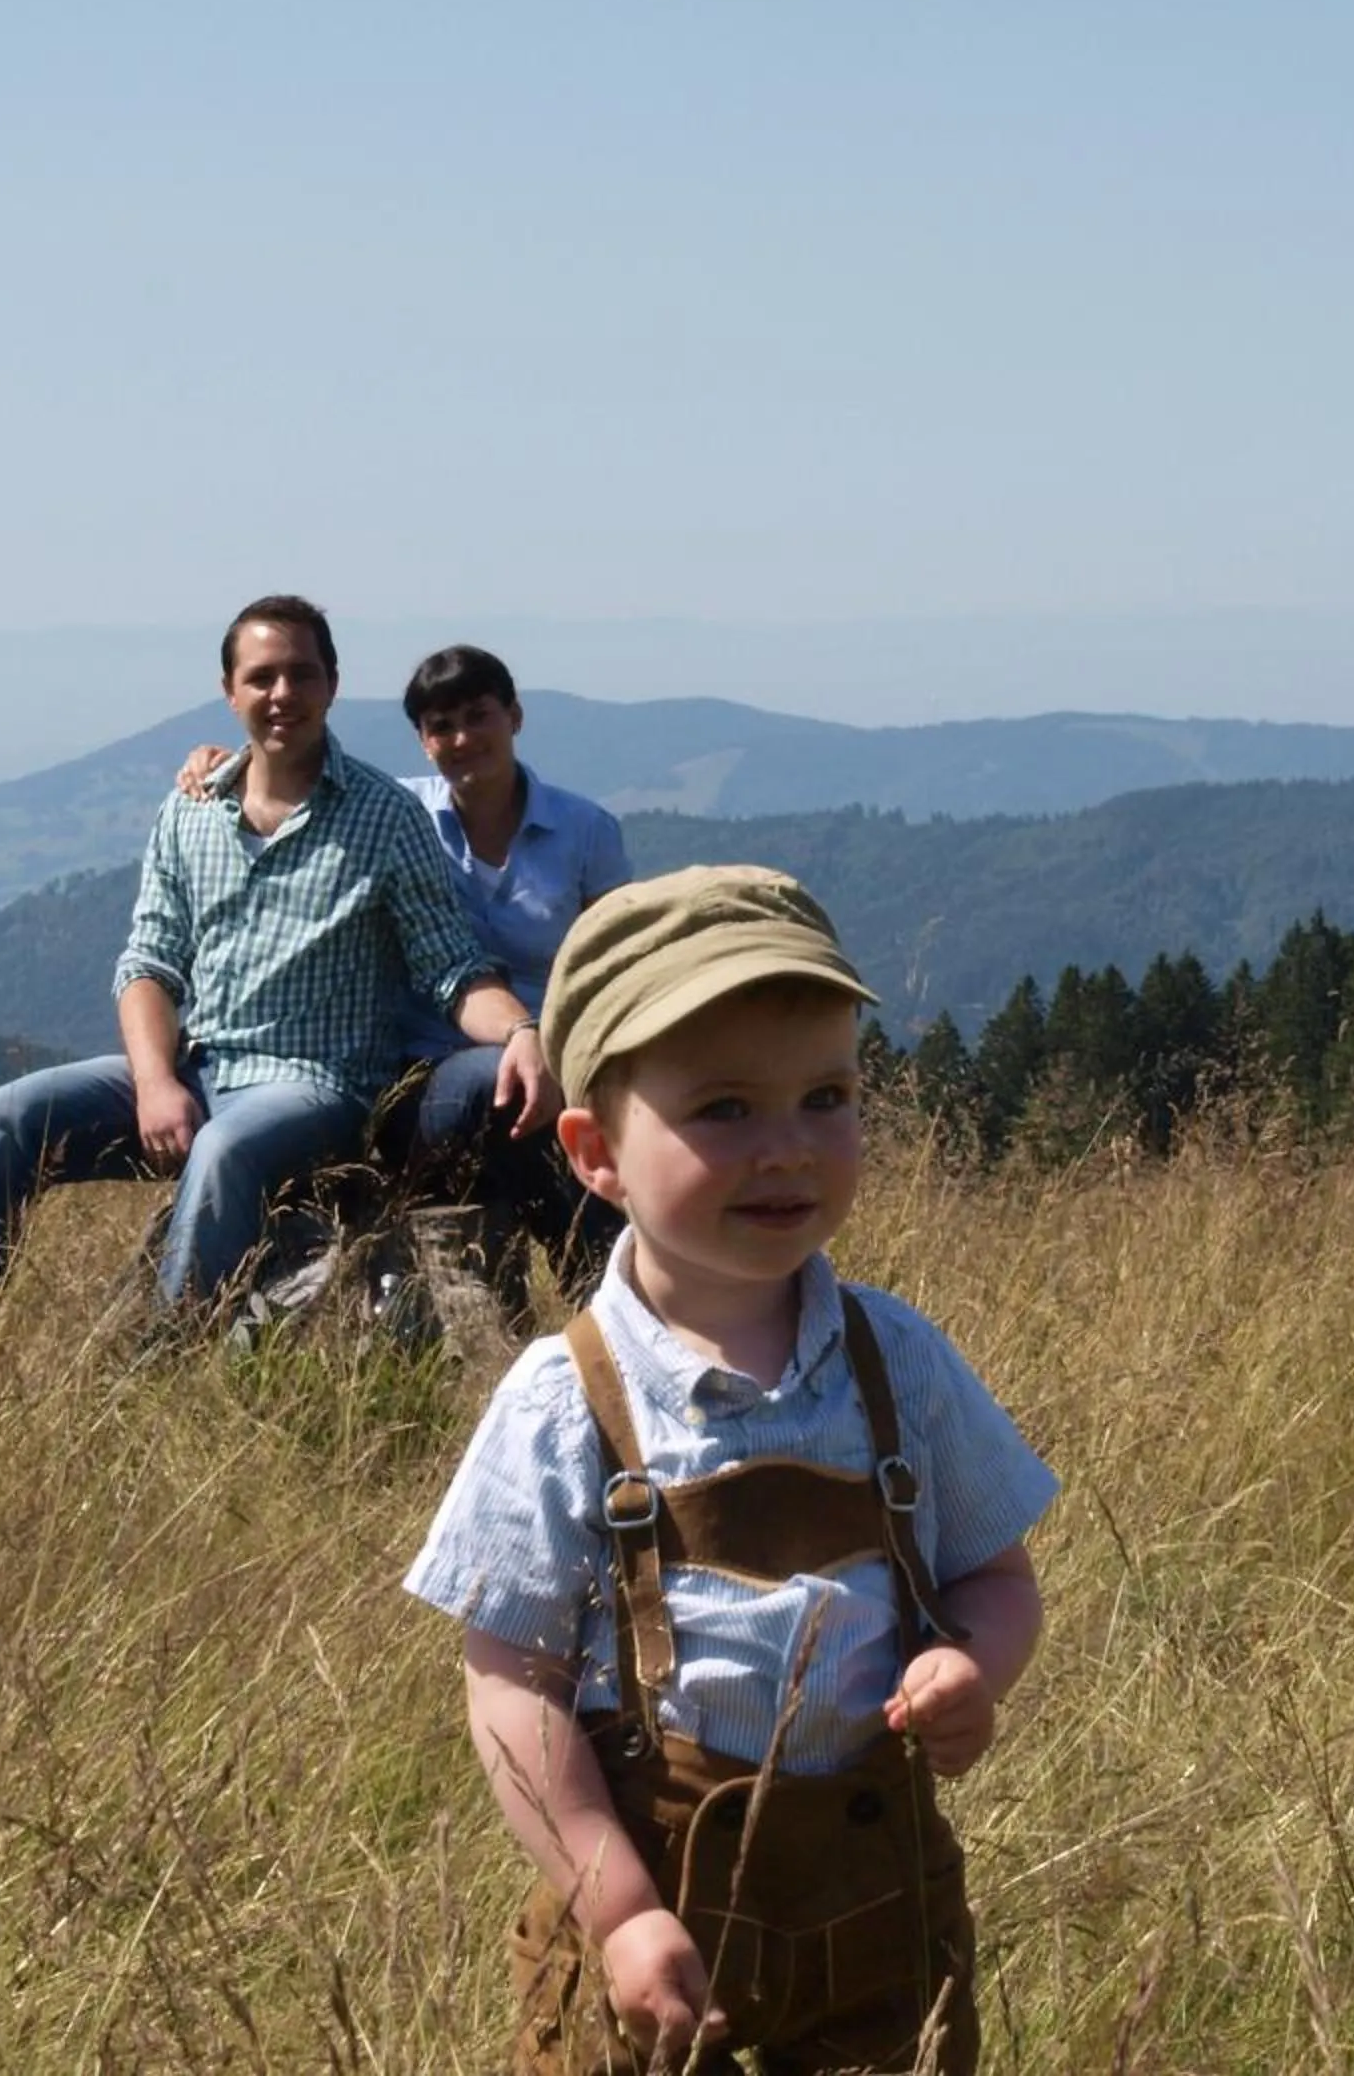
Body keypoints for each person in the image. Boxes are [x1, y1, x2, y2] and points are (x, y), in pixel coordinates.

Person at [404, 867, 1057, 2073]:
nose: (787, 1149)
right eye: (723, 1111)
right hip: (651, 1926)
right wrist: (615, 1906)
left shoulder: (896, 1359)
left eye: (825, 1096)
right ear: (597, 1154)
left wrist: (977, 1664)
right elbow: (509, 1689)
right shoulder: (563, 1401)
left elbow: (997, 1576)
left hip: (880, 1912)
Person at [0, 596, 553, 1358]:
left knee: (225, 1149)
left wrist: (522, 1031)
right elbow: (148, 964)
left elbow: (452, 969)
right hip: (198, 1069)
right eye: (262, 677)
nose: (282, 695)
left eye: (301, 675)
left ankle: (153, 1376)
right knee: (7, 1116)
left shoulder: (384, 817)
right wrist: (153, 1082)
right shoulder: (190, 812)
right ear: (230, 691)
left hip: (320, 1087)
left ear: (332, 685)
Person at [179, 641, 630, 1296]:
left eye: (478, 716)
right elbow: (298, 784)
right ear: (423, 742)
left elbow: (610, 968)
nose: (462, 738)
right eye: (440, 726)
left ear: (515, 716)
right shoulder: (399, 813)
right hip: (418, 1077)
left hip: (552, 1060)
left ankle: (601, 1288)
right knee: (494, 1085)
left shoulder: (585, 831)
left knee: (530, 1098)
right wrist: (221, 763)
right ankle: (603, 1284)